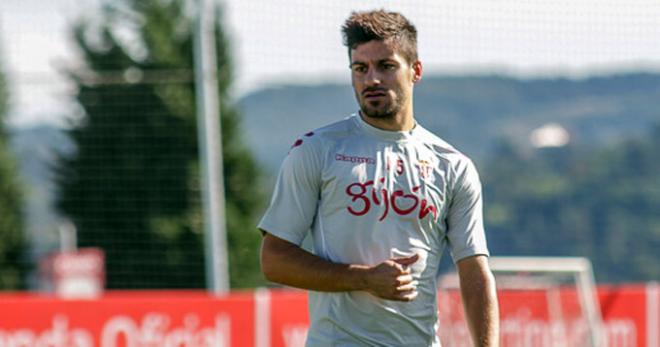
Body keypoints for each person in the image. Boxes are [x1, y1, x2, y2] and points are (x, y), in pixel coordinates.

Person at [258, 9, 499, 347]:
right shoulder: (316, 150)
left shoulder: (453, 166)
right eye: (360, 68)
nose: (371, 79)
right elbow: (274, 260)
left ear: (415, 71)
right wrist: (364, 279)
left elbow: (474, 271)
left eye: (386, 66)